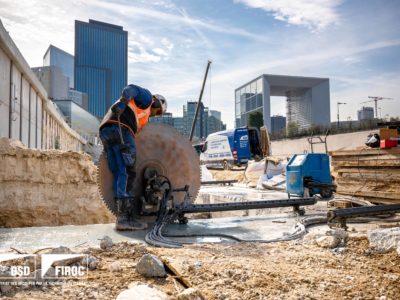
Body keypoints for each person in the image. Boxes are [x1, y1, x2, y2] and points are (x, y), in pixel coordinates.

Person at [99, 84, 167, 231]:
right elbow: (131, 89)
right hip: (121, 128)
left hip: (106, 131)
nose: (154, 115)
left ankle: (123, 217)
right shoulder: (147, 98)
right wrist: (123, 102)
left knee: (119, 172)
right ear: (157, 103)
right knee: (128, 171)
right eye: (157, 112)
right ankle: (125, 218)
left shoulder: (141, 115)